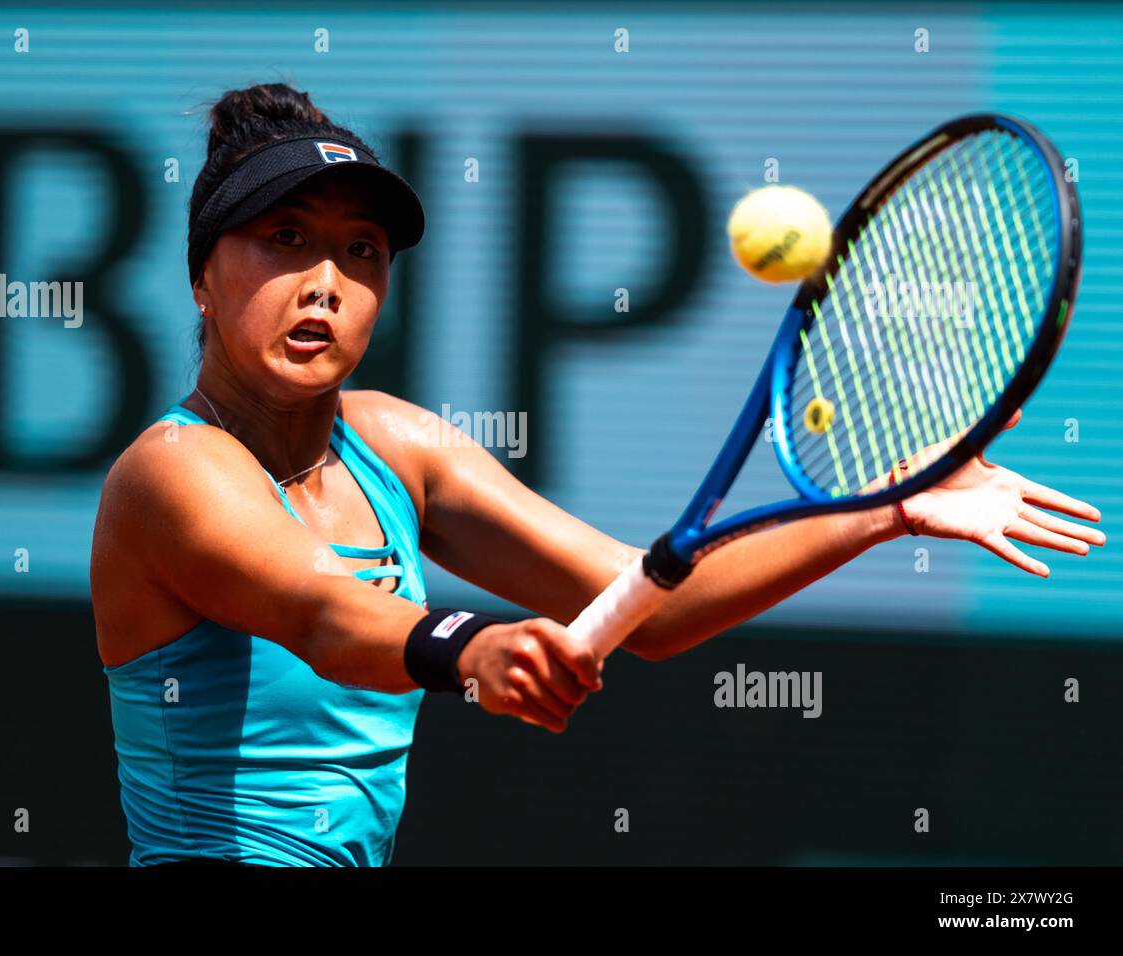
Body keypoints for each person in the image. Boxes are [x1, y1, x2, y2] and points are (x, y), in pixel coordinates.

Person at [89, 83, 1105, 867]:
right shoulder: (169, 472)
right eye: (285, 238)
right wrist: (470, 646)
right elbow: (318, 611)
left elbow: (653, 606)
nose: (326, 282)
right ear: (199, 277)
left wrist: (886, 508)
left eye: (361, 250)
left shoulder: (398, 445)